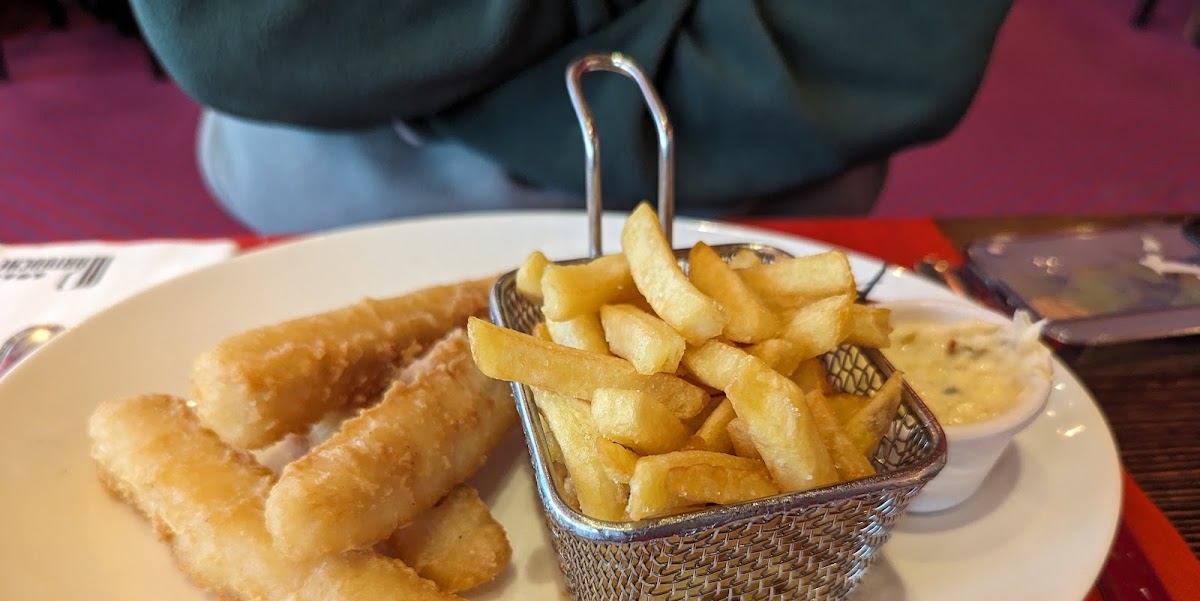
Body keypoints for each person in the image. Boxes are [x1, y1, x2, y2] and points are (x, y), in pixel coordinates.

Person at [128, 2, 1012, 235]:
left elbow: (887, 44)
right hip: (326, 205)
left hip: (753, 207)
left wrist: (407, 53)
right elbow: (245, 31)